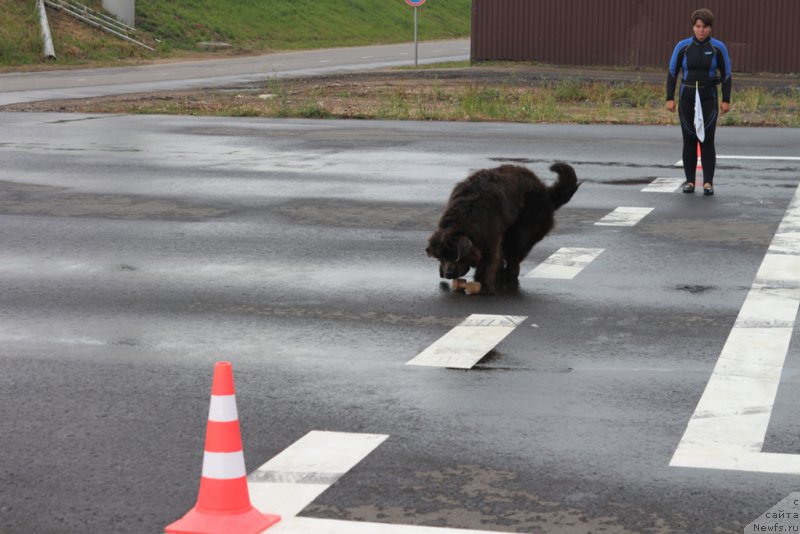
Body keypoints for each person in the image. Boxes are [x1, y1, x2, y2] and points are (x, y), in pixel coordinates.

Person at [666, 8, 732, 196]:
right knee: (689, 140)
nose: (701, 30)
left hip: (708, 97)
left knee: (707, 140)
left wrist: (726, 99)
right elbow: (672, 72)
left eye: (705, 27)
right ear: (693, 27)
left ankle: (708, 183)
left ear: (710, 28)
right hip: (687, 96)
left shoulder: (718, 47)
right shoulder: (683, 46)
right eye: (698, 26)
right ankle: (689, 182)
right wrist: (669, 97)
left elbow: (727, 74)